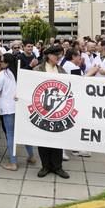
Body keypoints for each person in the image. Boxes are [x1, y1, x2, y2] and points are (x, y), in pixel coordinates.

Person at [33, 46, 70, 179]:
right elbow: (30, 86)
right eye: (56, 55)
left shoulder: (62, 71)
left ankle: (57, 167)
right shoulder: (38, 69)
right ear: (48, 56)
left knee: (57, 138)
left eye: (60, 55)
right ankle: (45, 166)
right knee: (43, 138)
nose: (58, 57)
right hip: (42, 109)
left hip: (58, 110)